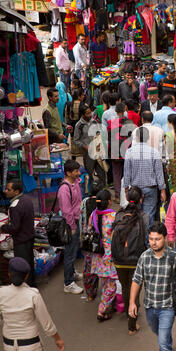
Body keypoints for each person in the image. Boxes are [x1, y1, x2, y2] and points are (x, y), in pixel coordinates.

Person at [129, 221, 176, 351]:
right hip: (150, 306)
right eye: (151, 239)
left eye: (157, 239)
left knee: (164, 344)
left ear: (165, 238)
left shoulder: (175, 257)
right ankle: (165, 340)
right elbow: (136, 280)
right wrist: (132, 302)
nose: (153, 242)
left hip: (167, 307)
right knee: (157, 332)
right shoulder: (144, 257)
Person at [0, 257, 64, 351]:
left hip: (9, 347)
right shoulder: (33, 295)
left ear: (9, 274)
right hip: (30, 348)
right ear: (26, 276)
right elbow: (47, 324)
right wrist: (58, 339)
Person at [112, 186, 149, 335]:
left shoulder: (118, 215)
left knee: (126, 287)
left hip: (119, 258)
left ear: (127, 198)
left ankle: (129, 313)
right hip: (136, 259)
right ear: (141, 199)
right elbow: (146, 238)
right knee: (135, 291)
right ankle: (132, 326)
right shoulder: (144, 216)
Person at [123, 127, 167, 227]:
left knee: (135, 215)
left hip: (135, 191)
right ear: (148, 138)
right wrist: (163, 190)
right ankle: (147, 240)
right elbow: (159, 173)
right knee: (149, 216)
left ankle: (138, 238)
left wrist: (126, 190)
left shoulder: (129, 152)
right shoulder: (154, 152)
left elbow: (126, 173)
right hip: (151, 189)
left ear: (137, 138)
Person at [88, 189, 117, 321]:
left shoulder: (93, 215)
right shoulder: (113, 217)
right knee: (111, 285)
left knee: (105, 283)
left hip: (98, 256)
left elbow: (89, 230)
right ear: (109, 202)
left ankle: (108, 305)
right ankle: (102, 310)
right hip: (109, 256)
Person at [1, 179, 36, 287]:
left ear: (16, 192)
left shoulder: (14, 206)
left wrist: (3, 227)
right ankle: (32, 285)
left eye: (8, 189)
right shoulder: (27, 199)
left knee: (22, 266)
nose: (5, 191)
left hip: (21, 241)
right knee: (29, 264)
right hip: (29, 237)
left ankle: (26, 289)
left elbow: (15, 228)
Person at [58, 159, 84, 295]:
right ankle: (68, 283)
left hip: (76, 221)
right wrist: (72, 226)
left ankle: (72, 273)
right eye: (76, 171)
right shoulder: (64, 189)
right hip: (70, 224)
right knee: (69, 254)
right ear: (68, 173)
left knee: (74, 250)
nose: (79, 173)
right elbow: (67, 211)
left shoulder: (75, 183)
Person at [74, 103, 106, 189]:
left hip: (97, 152)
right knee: (89, 173)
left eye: (90, 112)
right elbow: (76, 140)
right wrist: (85, 147)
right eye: (87, 113)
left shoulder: (94, 122)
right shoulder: (79, 125)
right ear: (82, 114)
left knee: (101, 172)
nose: (90, 114)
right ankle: (91, 190)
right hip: (88, 154)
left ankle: (102, 189)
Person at [107, 102, 133, 202]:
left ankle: (118, 196)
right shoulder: (129, 122)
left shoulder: (111, 123)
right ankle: (127, 195)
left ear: (116, 111)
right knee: (127, 173)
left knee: (116, 173)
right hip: (126, 151)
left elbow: (109, 138)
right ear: (125, 110)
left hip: (115, 152)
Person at [65, 88, 85, 159]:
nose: (84, 96)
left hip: (72, 127)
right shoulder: (84, 105)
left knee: (73, 144)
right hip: (81, 128)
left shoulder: (69, 104)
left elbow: (66, 117)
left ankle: (73, 161)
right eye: (82, 95)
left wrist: (68, 125)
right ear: (78, 96)